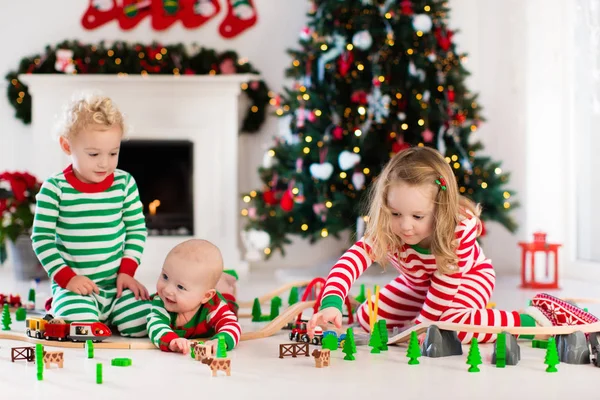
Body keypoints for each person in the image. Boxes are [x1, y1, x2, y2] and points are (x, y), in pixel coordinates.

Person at [308, 146, 598, 343]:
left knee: (448, 325)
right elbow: (352, 260)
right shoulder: (389, 226)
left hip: (467, 279)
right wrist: (332, 302)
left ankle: (533, 321)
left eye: (417, 216)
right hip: (420, 283)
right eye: (396, 213)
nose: (405, 225)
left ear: (440, 210)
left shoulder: (456, 232)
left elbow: (445, 288)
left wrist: (424, 327)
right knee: (368, 320)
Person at [31, 94, 151, 337]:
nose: (105, 164)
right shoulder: (55, 189)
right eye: (94, 154)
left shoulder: (125, 183)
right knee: (80, 322)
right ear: (67, 146)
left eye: (113, 153)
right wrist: (67, 279)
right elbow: (41, 239)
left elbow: (137, 230)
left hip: (115, 285)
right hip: (75, 286)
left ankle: (111, 315)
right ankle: (66, 307)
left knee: (143, 320)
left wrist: (127, 272)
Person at [147, 239, 241, 353]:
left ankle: (224, 279)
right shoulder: (162, 301)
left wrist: (221, 341)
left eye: (180, 287)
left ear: (206, 296)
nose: (167, 290)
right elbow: (155, 324)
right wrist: (171, 340)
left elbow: (232, 325)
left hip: (219, 299)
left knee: (229, 303)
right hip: (201, 292)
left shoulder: (214, 306)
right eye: (165, 276)